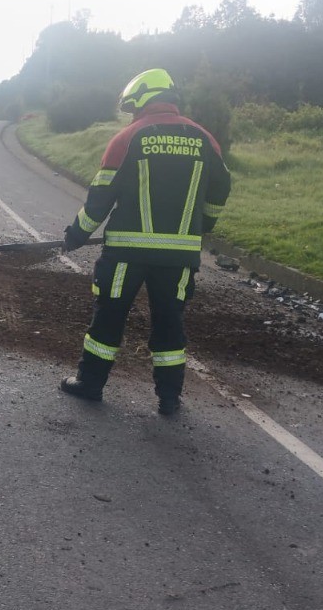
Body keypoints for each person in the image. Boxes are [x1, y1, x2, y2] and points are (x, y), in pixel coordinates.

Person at [58, 68, 232, 416]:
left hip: (125, 255)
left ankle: (90, 385)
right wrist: (202, 226)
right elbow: (221, 189)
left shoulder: (128, 138)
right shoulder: (205, 139)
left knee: (109, 319)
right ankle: (169, 399)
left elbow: (100, 198)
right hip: (178, 258)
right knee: (170, 324)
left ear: (142, 99)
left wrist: (76, 235)